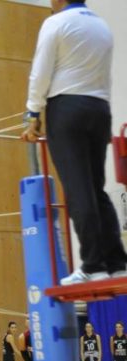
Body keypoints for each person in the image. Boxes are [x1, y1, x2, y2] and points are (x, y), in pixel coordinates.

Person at [21, 0, 127, 285]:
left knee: (78, 189)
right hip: (99, 109)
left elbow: (40, 72)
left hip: (67, 110)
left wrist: (33, 114)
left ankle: (92, 266)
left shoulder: (56, 23)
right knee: (95, 188)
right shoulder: (101, 26)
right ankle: (117, 263)